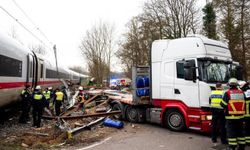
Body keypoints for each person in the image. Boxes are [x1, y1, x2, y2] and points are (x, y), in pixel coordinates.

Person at [220, 78, 246, 150]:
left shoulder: (227, 93)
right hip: (241, 117)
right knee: (240, 132)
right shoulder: (242, 92)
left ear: (229, 85)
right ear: (236, 85)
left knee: (231, 133)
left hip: (230, 117)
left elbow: (223, 104)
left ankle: (232, 147)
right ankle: (242, 146)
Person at [239, 81, 250, 146]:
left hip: (245, 116)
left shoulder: (242, 94)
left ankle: (247, 141)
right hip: (246, 115)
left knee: (246, 129)